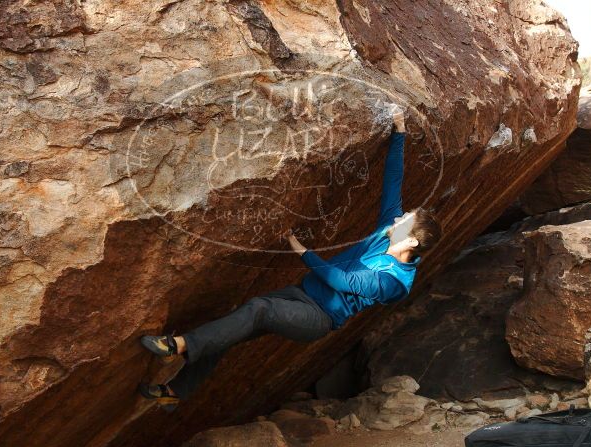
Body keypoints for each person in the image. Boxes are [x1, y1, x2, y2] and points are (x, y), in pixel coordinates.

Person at [137, 108, 442, 411]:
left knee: (259, 309)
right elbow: (393, 180)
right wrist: (399, 130)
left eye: (406, 219)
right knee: (231, 326)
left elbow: (340, 280)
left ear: (411, 240)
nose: (399, 216)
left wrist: (301, 249)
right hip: (300, 293)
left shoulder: (395, 282)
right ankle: (175, 392)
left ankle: (177, 346)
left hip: (318, 318)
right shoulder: (388, 230)